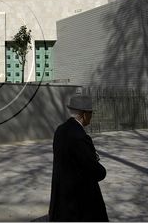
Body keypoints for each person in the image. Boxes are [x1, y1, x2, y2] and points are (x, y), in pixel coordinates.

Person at [48, 94, 108, 222]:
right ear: (84, 114)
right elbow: (93, 170)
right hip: (78, 202)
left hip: (62, 196)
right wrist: (102, 171)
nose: (91, 116)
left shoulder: (60, 130)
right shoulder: (80, 137)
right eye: (91, 113)